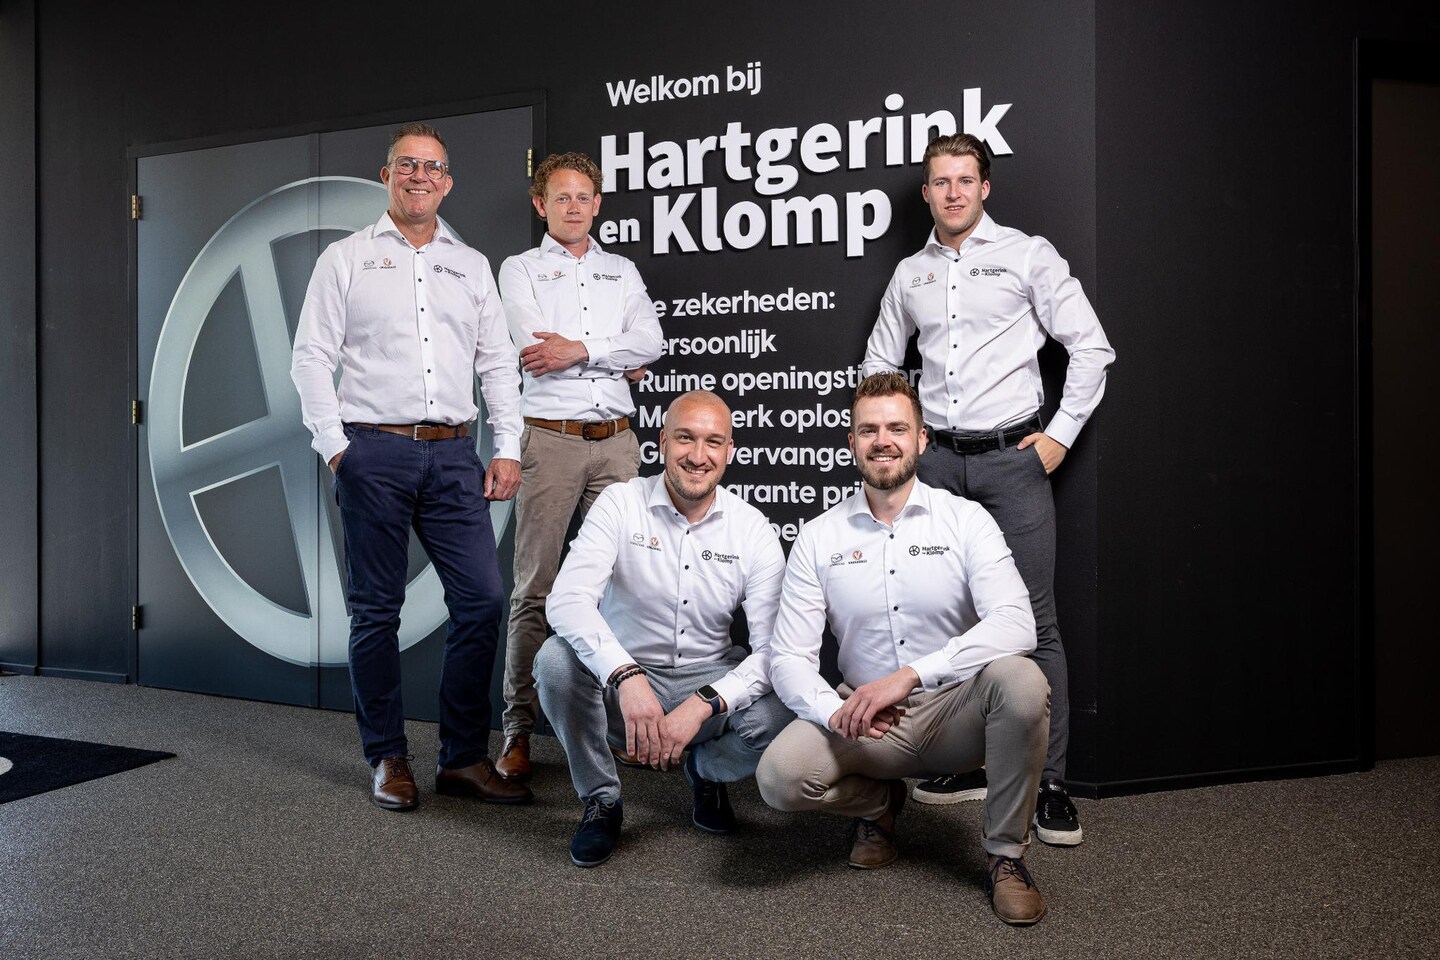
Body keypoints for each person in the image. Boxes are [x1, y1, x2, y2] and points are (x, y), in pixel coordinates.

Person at [861, 133, 1114, 844]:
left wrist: (1060, 435)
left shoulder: (1027, 255)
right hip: (937, 464)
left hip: (1012, 460)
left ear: (985, 187)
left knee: (1033, 622)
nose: (953, 193)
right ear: (926, 193)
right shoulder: (911, 273)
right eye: (941, 182)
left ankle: (1050, 784)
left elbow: (1092, 347)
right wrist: (899, 434)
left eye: (965, 180)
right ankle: (964, 762)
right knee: (948, 617)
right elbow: (880, 362)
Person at [290, 122, 530, 811]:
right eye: (407, 165)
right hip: (374, 451)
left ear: (447, 182)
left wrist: (507, 446)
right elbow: (311, 356)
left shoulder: (471, 265)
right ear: (387, 176)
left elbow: (496, 363)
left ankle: (462, 759)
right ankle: (387, 757)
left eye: (432, 167)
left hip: (455, 453)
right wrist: (336, 447)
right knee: (376, 612)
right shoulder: (345, 258)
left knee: (482, 600)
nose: (420, 176)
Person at [756, 373, 1050, 926]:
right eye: (868, 430)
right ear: (851, 442)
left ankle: (1005, 855)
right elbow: (789, 657)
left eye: (896, 427)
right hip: (867, 722)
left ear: (921, 439)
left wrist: (911, 675)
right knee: (778, 778)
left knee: (1022, 681)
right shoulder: (819, 536)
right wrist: (835, 711)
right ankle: (881, 805)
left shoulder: (966, 520)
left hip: (955, 713)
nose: (882, 441)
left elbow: (1017, 623)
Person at [534, 390, 792, 867]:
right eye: (685, 438)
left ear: (730, 451)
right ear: (662, 442)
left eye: (713, 442)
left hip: (707, 680)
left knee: (786, 706)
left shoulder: (752, 528)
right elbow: (567, 601)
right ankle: (602, 799)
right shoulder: (620, 502)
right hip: (624, 686)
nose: (698, 455)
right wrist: (625, 675)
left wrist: (705, 703)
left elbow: (774, 650)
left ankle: (705, 771)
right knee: (554, 661)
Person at [495, 152, 663, 784]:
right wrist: (616, 357)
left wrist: (584, 349)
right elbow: (536, 350)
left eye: (584, 197)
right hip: (550, 441)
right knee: (536, 588)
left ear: (597, 204)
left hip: (617, 442)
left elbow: (651, 343)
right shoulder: (519, 269)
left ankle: (620, 727)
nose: (574, 207)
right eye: (561, 197)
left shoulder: (622, 270)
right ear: (541, 205)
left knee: (625, 585)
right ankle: (517, 729)